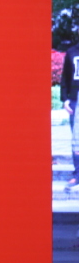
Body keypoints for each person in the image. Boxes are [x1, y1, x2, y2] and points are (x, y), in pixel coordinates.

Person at [61, 43, 79, 192]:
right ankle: (77, 174)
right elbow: (65, 76)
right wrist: (65, 99)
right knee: (76, 139)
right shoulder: (72, 52)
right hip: (75, 99)